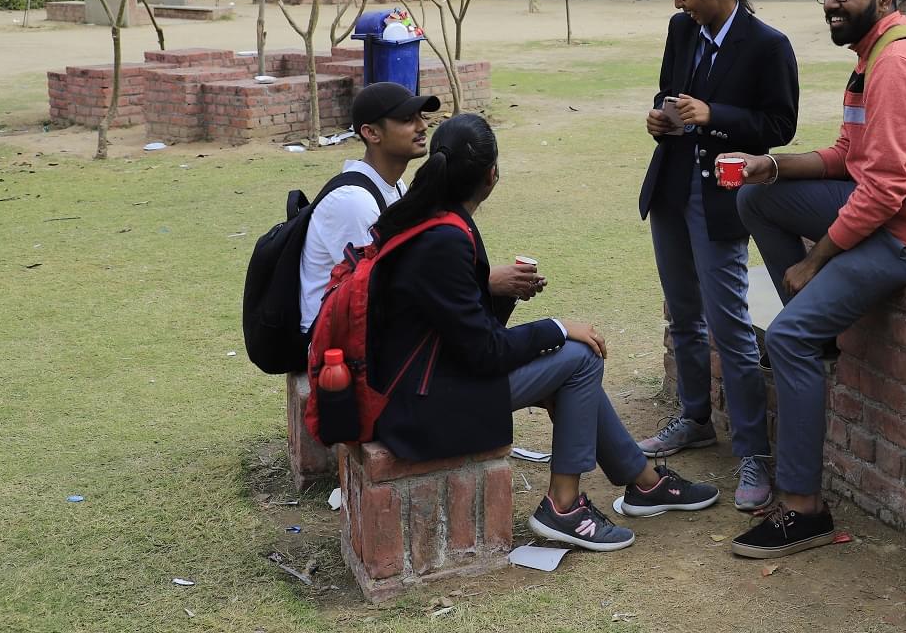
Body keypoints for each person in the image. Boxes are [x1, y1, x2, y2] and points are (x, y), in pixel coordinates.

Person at [719, 0, 906, 559]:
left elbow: (883, 190)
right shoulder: (872, 55)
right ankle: (817, 326)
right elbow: (849, 158)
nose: (830, 3)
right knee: (755, 196)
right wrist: (773, 166)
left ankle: (803, 509)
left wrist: (815, 259)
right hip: (888, 218)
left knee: (790, 338)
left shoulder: (898, 65)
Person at [367, 114, 720, 551]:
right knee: (581, 357)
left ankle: (645, 483)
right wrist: (557, 327)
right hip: (424, 408)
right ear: (492, 175)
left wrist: (499, 293)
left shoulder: (427, 215)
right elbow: (485, 352)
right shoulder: (447, 237)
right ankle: (564, 507)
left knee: (569, 372)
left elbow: (454, 324)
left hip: (421, 384)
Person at [636, 0, 800, 513]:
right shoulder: (683, 30)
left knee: (729, 326)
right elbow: (666, 92)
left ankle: (753, 452)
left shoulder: (767, 44)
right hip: (673, 190)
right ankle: (695, 418)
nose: (677, 3)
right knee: (684, 317)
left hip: (723, 201)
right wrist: (661, 116)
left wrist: (714, 115)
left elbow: (780, 126)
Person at [297, 82, 439, 343]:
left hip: (358, 322)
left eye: (422, 117)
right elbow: (373, 289)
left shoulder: (394, 185)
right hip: (328, 340)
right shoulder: (354, 201)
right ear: (371, 133)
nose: (422, 126)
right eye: (408, 119)